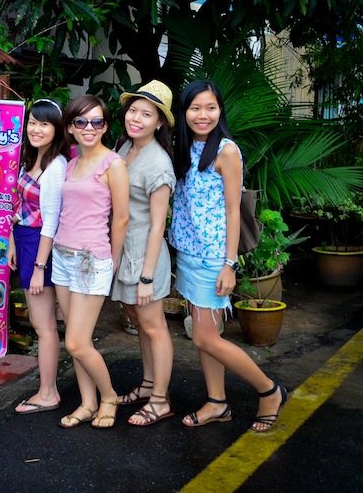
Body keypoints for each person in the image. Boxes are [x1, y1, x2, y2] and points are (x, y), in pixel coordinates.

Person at [170, 79, 289, 432]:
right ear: (184, 112)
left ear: (220, 110)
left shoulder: (226, 150)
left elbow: (234, 211)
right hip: (188, 253)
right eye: (195, 108)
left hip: (213, 258)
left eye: (210, 107)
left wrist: (230, 264)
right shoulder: (182, 146)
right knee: (210, 335)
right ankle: (217, 402)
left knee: (204, 336)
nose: (202, 115)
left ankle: (269, 391)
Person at [52, 95, 129, 429]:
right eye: (81, 121)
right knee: (75, 339)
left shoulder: (113, 164)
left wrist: (110, 264)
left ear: (106, 127)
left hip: (91, 260)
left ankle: (109, 396)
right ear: (70, 127)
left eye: (97, 122)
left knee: (76, 342)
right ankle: (87, 403)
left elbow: (122, 219)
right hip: (62, 257)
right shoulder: (71, 164)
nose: (89, 128)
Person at [110, 80, 177, 427]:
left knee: (154, 326)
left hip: (145, 258)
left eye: (146, 113)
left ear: (159, 122)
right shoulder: (125, 148)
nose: (136, 118)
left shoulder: (159, 164)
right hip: (126, 254)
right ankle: (149, 384)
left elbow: (157, 226)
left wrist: (147, 276)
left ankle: (161, 400)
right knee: (139, 323)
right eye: (133, 110)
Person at [7, 98, 70, 415]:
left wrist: (38, 268)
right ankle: (50, 389)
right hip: (26, 242)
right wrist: (12, 240)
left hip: (42, 247)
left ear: (57, 129)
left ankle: (48, 392)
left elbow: (52, 221)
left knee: (45, 325)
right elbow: (20, 208)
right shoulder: (30, 159)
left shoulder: (55, 166)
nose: (35, 128)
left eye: (44, 123)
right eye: (32, 122)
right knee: (40, 322)